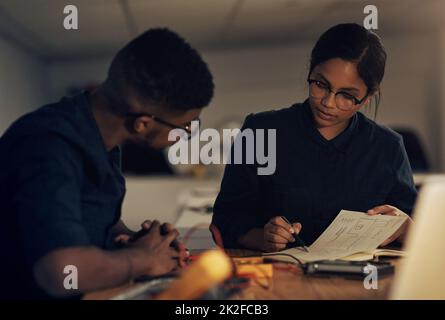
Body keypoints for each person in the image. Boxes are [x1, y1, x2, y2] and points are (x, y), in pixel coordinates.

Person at [0, 28, 214, 299]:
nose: (187, 134)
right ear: (142, 123)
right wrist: (143, 259)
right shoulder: (48, 145)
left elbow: (95, 221)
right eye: (185, 127)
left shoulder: (99, 137)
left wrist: (141, 242)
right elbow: (61, 271)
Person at [212, 23, 417, 252]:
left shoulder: (388, 147)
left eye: (347, 96)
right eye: (321, 84)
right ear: (310, 71)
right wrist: (263, 238)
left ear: (367, 97)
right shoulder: (260, 130)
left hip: (360, 281)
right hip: (277, 277)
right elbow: (226, 219)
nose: (328, 103)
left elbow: (421, 233)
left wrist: (409, 228)